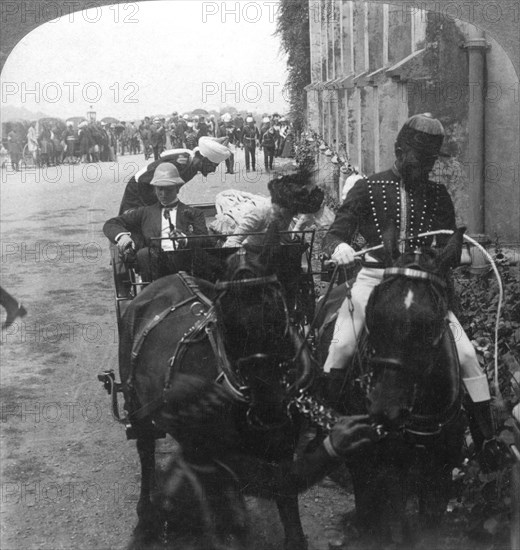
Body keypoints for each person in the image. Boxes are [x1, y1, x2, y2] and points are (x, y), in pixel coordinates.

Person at [321, 112, 496, 444]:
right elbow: (335, 233)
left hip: (423, 286)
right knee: (342, 344)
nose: (426, 167)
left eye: (431, 160)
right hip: (374, 280)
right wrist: (341, 246)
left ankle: (485, 442)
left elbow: (449, 247)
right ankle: (326, 427)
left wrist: (455, 255)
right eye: (420, 158)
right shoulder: (366, 188)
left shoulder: (439, 195)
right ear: (399, 151)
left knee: (469, 356)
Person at [104, 164, 209, 281]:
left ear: (178, 188)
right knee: (144, 254)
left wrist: (185, 239)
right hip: (154, 268)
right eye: (160, 189)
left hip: (185, 266)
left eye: (168, 189)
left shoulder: (194, 213)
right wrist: (122, 236)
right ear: (154, 189)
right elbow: (110, 224)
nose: (163, 194)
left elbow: (206, 240)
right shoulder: (145, 212)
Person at [118, 136, 231, 215]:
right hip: (140, 188)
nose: (213, 170)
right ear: (204, 159)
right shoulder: (182, 163)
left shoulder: (192, 165)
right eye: (213, 165)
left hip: (150, 188)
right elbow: (148, 182)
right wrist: (153, 208)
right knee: (132, 221)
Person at [223, 171, 326, 250]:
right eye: (289, 212)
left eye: (293, 212)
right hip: (254, 254)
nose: (290, 216)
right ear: (280, 205)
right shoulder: (259, 213)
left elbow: (288, 232)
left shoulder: (288, 212)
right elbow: (231, 243)